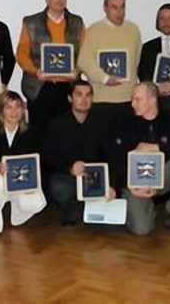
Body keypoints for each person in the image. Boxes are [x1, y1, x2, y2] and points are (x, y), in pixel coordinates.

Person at [16, 0, 85, 142]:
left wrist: (78, 70)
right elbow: (21, 54)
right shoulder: (31, 22)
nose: (60, 0)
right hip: (40, 87)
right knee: (39, 135)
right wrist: (36, 71)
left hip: (68, 87)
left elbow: (85, 52)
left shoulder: (77, 22)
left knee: (67, 135)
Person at [123, 83, 170, 237]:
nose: (132, 104)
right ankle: (141, 208)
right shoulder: (125, 121)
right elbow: (115, 157)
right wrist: (129, 185)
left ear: (152, 100)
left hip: (161, 176)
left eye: (137, 100)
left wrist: (159, 148)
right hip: (134, 182)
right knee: (142, 229)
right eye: (132, 99)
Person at [43, 80, 116, 226]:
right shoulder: (57, 124)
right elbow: (48, 156)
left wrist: (111, 184)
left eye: (88, 95)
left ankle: (87, 208)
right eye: (79, 95)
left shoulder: (102, 123)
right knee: (59, 187)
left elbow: (111, 155)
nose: (84, 99)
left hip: (96, 177)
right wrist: (69, 168)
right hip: (69, 176)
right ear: (70, 98)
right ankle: (76, 209)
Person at [77, 0, 142, 133]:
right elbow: (84, 60)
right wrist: (105, 79)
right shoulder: (94, 30)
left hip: (128, 99)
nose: (120, 12)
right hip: (101, 100)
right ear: (105, 8)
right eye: (114, 7)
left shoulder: (133, 30)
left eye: (122, 7)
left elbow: (136, 60)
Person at [0, 91, 47, 235]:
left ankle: (17, 213)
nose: (14, 111)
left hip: (21, 180)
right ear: (1, 110)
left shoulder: (33, 131)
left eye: (18, 106)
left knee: (38, 203)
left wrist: (33, 182)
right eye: (9, 107)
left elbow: (39, 161)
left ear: (23, 110)